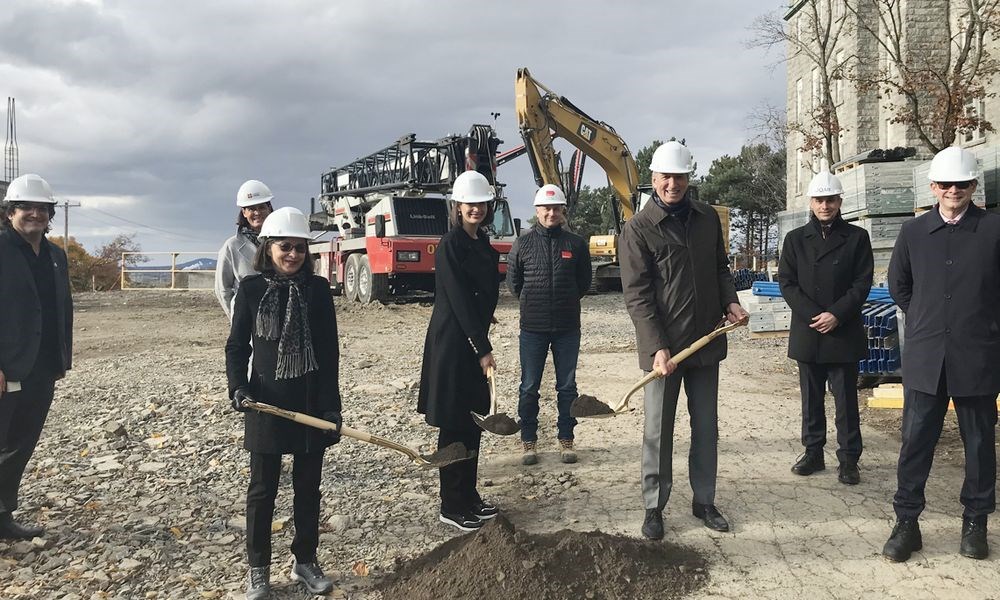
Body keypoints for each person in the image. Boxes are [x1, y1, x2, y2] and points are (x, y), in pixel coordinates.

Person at [619, 141, 747, 540]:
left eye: (680, 177)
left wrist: (731, 301)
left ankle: (704, 500)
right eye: (665, 177)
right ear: (654, 179)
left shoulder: (707, 218)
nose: (672, 183)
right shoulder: (638, 229)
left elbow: (719, 268)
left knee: (706, 425)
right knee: (658, 429)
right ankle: (654, 506)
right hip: (664, 350)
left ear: (690, 178)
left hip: (705, 340)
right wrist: (657, 345)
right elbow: (637, 296)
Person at [883, 146, 1000, 562]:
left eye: (962, 184)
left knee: (980, 444)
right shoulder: (914, 233)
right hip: (926, 358)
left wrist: (987, 328)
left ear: (973, 186)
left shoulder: (993, 230)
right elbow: (899, 285)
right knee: (915, 442)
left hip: (978, 358)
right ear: (933, 187)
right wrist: (925, 319)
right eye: (946, 184)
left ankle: (975, 523)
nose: (954, 191)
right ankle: (907, 523)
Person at [225, 207, 342, 598]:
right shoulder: (252, 289)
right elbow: (237, 346)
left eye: (299, 247)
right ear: (268, 246)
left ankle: (304, 561)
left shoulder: (318, 290)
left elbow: (329, 352)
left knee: (308, 489)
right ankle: (258, 569)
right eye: (284, 246)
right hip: (266, 404)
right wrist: (238, 388)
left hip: (309, 404)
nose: (292, 254)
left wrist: (332, 407)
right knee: (262, 491)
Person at [417, 170, 501, 532]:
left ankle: (469, 495)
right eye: (469, 203)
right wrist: (483, 349)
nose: (476, 209)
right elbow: (460, 299)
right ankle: (451, 504)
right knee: (454, 425)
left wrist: (485, 325)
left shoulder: (482, 243)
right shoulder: (450, 244)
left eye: (481, 203)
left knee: (473, 422)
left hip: (472, 338)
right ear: (457, 206)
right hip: (454, 344)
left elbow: (481, 294)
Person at [778, 171, 873, 485]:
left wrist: (836, 314)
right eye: (819, 200)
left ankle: (848, 459)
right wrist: (813, 315)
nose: (825, 205)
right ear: (811, 201)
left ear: (840, 201)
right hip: (809, 330)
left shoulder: (857, 238)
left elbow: (862, 283)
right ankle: (813, 452)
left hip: (842, 330)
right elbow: (787, 283)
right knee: (811, 398)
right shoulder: (794, 240)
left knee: (846, 400)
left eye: (830, 199)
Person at [0, 174, 73, 540]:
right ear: (10, 211)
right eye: (25, 207)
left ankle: (2, 517)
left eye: (41, 208)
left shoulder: (56, 256)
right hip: (5, 366)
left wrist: (62, 360)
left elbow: (64, 310)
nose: (34, 214)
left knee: (19, 445)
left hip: (41, 367)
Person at [506, 184, 591, 465]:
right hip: (533, 327)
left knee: (567, 386)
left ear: (563, 211)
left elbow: (584, 282)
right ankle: (528, 441)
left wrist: (563, 302)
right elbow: (514, 283)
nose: (551, 213)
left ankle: (566, 439)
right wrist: (534, 303)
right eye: (546, 208)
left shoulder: (576, 244)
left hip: (568, 327)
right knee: (529, 385)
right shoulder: (523, 243)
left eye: (556, 208)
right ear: (537, 211)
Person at [216, 180, 274, 320]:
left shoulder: (281, 242)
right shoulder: (232, 246)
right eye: (251, 208)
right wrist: (237, 320)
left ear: (269, 209)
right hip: (247, 317)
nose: (257, 213)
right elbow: (222, 289)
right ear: (244, 212)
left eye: (261, 207)